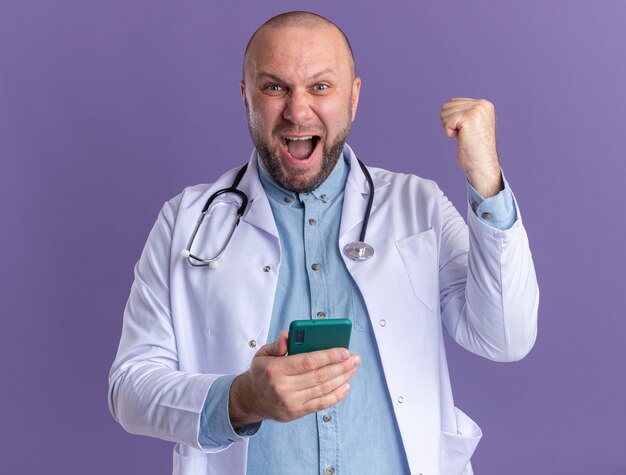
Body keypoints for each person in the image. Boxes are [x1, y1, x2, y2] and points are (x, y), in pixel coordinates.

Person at [108, 11, 538, 475]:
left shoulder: (419, 206)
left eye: (320, 87)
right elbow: (129, 388)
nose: (297, 111)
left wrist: (487, 179)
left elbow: (506, 337)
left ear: (353, 97)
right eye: (274, 87)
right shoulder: (186, 221)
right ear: (246, 96)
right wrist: (240, 399)